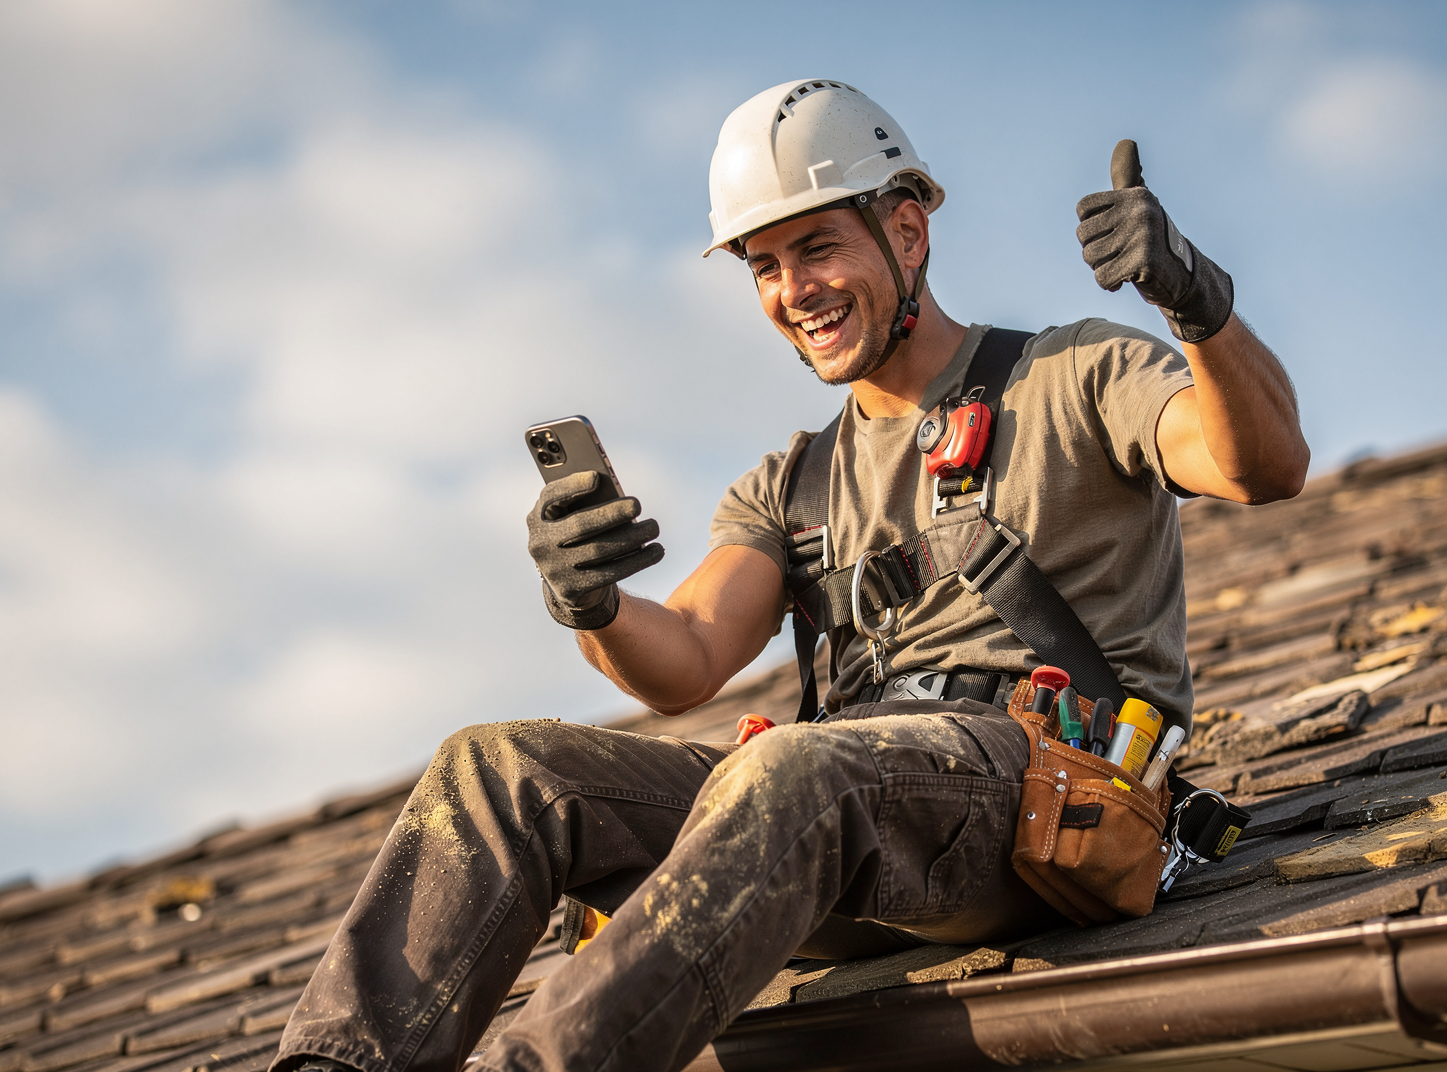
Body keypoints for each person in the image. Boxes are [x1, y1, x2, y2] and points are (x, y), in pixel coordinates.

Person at [273, 79, 1308, 1072]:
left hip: (1044, 810)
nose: (790, 291)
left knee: (787, 771)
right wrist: (589, 604)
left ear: (907, 231)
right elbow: (682, 660)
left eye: (815, 247)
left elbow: (1259, 464)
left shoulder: (1075, 377)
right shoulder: (794, 483)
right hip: (840, 831)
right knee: (498, 773)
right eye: (762, 265)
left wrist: (1197, 310)